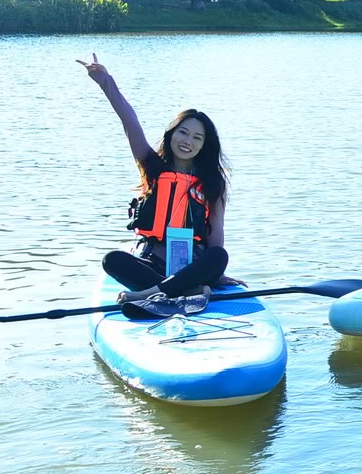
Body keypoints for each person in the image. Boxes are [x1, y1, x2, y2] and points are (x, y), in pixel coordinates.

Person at [78, 54, 242, 304]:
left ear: (204, 145)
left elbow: (215, 232)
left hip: (191, 265)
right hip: (151, 264)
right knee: (112, 260)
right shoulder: (151, 165)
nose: (188, 141)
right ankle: (185, 291)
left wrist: (215, 274)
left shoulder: (213, 182)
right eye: (183, 133)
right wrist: (105, 82)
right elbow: (129, 121)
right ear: (171, 134)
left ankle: (153, 294)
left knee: (219, 255)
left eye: (197, 138)